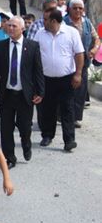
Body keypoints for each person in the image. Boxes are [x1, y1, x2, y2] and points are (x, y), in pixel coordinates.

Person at [0, 16, 44, 168]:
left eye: (14, 26)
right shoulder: (1, 46)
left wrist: (40, 92)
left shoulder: (32, 46)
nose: (11, 28)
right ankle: (10, 157)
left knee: (25, 126)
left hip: (24, 94)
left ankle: (26, 143)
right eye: (9, 25)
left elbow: (38, 70)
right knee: (6, 128)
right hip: (6, 94)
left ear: (22, 29)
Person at [34, 9, 84, 152]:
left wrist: (78, 74)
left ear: (54, 21)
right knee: (47, 108)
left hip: (66, 78)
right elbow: (34, 54)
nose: (43, 22)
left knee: (67, 109)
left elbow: (79, 54)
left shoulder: (71, 33)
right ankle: (47, 135)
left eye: (46, 20)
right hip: (46, 78)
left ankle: (69, 140)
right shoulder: (40, 34)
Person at [64, 0, 100, 127]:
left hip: (83, 62)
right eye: (75, 8)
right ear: (69, 9)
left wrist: (94, 49)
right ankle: (63, 115)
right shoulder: (64, 22)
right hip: (67, 62)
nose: (78, 10)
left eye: (80, 8)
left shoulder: (87, 23)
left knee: (80, 90)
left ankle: (74, 117)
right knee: (66, 90)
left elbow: (96, 39)